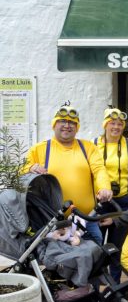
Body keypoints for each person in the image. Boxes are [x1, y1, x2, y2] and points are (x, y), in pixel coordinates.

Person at [25, 102, 112, 244]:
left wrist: (104, 187)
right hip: (53, 223)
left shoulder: (88, 147)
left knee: (95, 257)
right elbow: (22, 170)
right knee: (58, 263)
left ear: (77, 127)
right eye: (62, 121)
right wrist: (30, 168)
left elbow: (99, 169)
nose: (67, 125)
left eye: (72, 122)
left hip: (86, 219)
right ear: (54, 125)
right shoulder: (40, 149)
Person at [94, 106, 128, 282]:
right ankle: (96, 285)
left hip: (124, 202)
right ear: (105, 125)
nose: (116, 127)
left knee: (120, 247)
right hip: (100, 203)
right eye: (112, 123)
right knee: (96, 245)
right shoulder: (94, 145)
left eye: (119, 124)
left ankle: (116, 284)